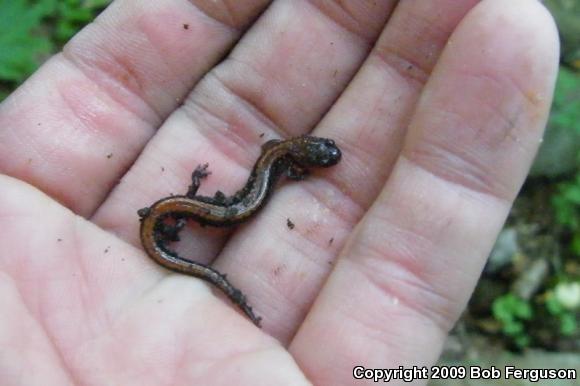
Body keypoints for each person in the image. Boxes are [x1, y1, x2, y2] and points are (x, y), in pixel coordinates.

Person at [0, 0, 559, 384]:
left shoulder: (280, 156)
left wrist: (194, 194)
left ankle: (190, 237)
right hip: (193, 216)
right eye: (319, 156)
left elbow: (271, 172)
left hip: (188, 213)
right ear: (302, 154)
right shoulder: (283, 163)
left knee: (213, 209)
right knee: (217, 213)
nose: (321, 161)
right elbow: (271, 180)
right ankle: (201, 256)